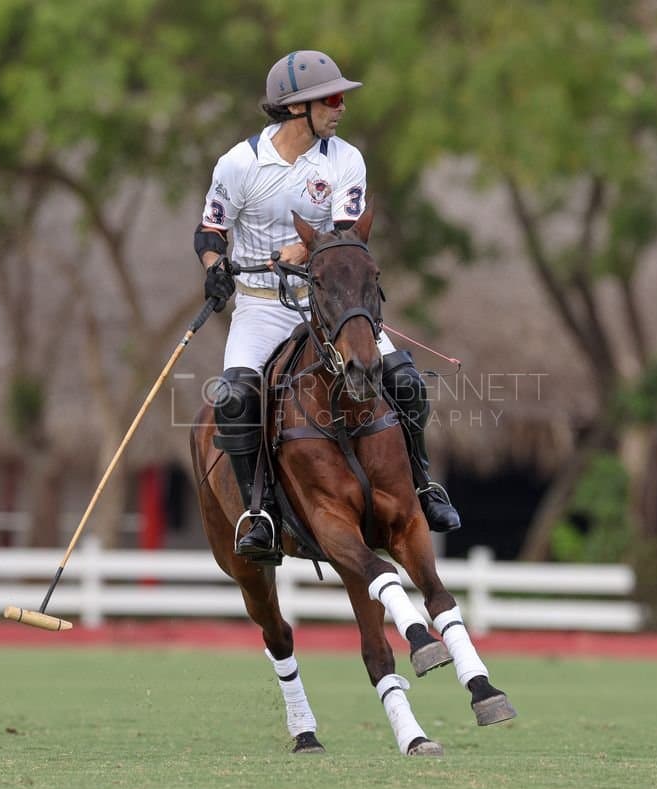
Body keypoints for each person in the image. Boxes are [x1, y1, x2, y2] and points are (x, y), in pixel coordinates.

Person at [195, 50, 460, 564]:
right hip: (261, 307)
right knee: (233, 399)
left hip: (330, 305)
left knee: (404, 381)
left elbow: (344, 233)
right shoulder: (238, 164)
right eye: (331, 99)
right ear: (296, 109)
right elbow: (210, 229)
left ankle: (424, 485)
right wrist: (214, 267)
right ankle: (259, 513)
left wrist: (299, 250)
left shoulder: (345, 160)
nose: (341, 107)